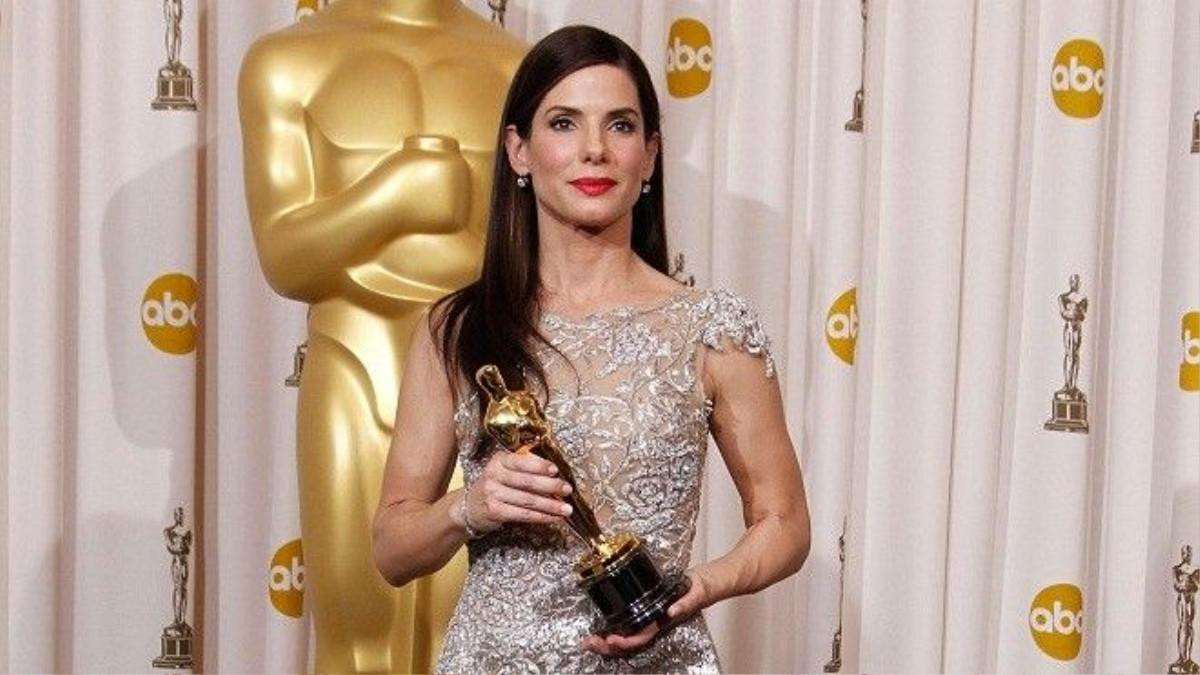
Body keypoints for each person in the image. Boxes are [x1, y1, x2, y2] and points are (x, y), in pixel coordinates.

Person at [372, 25, 810, 673]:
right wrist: (471, 505)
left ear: (651, 154)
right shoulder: (457, 328)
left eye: (621, 126)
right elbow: (391, 547)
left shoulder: (712, 328)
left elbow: (785, 521)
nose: (595, 150)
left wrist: (702, 585)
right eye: (564, 124)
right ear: (518, 150)